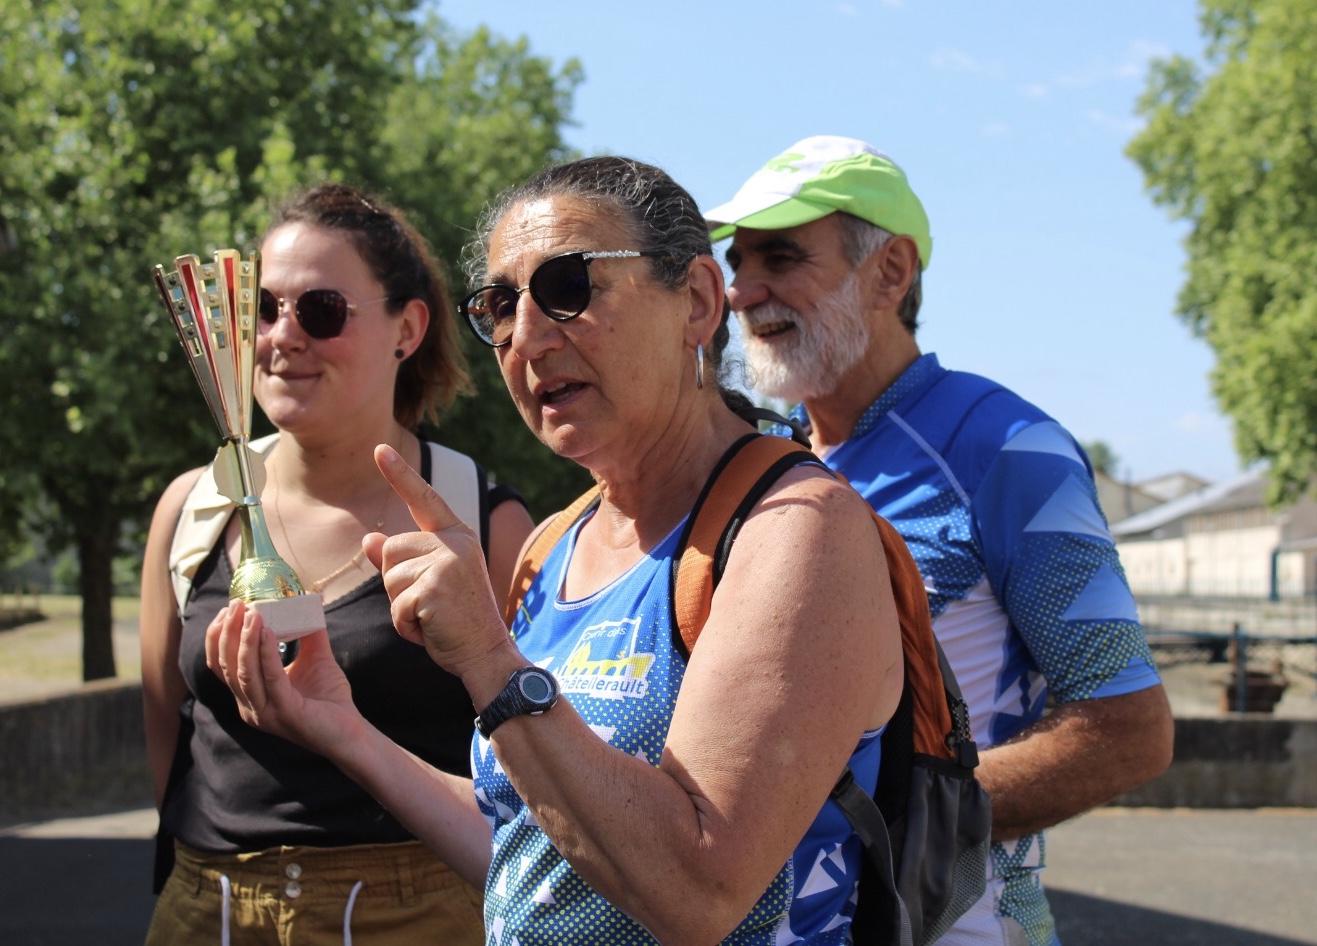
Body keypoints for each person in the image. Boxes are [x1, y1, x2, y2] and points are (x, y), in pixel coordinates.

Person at [204, 156, 911, 944]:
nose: (526, 336)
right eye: (500, 304)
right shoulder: (553, 542)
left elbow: (698, 891)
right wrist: (343, 730)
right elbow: (533, 852)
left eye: (568, 287)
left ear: (698, 302)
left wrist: (487, 660)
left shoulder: (795, 528)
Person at [704, 135, 1175, 946]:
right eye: (737, 262)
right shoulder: (767, 462)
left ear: (890, 272)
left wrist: (884, 820)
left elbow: (1127, 729)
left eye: (779, 258)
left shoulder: (1008, 448)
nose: (743, 291)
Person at [139, 182, 535, 944]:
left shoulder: (483, 521)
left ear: (407, 328)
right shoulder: (192, 506)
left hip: (419, 914)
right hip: (206, 910)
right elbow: (164, 716)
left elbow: (531, 758)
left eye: (321, 311)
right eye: (264, 308)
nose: (283, 336)